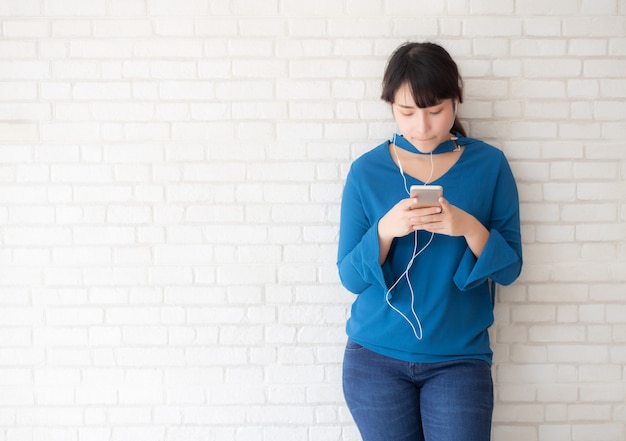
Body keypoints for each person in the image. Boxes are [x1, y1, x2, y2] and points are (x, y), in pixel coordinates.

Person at [336, 42, 523, 441]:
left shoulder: (489, 165)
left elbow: (509, 269)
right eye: (407, 112)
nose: (422, 127)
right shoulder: (366, 172)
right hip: (374, 360)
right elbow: (350, 279)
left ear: (456, 101)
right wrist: (386, 230)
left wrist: (468, 227)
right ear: (390, 107)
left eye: (435, 111)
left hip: (458, 359)